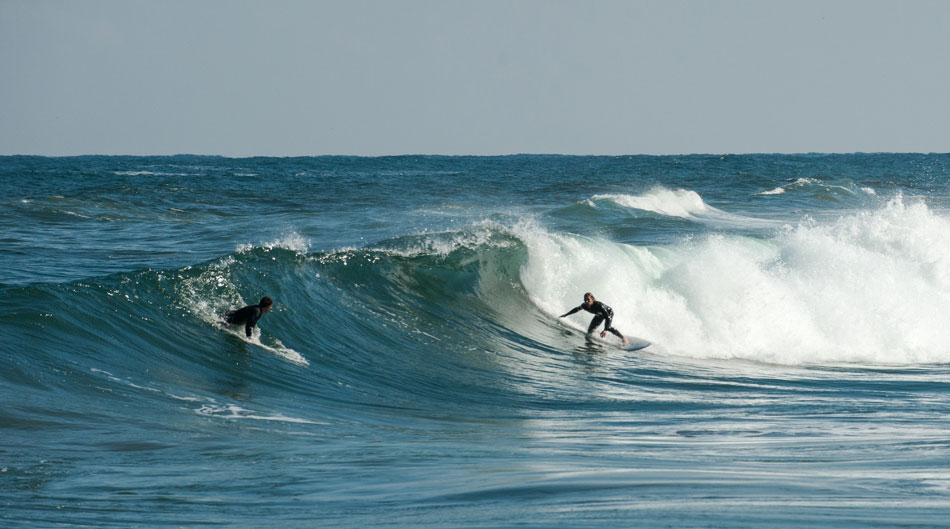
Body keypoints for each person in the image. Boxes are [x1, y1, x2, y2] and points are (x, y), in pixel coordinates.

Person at [559, 292, 628, 346]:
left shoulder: (599, 305)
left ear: (592, 299)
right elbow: (577, 309)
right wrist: (566, 314)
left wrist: (605, 329)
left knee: (608, 327)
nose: (586, 301)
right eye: (585, 300)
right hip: (599, 314)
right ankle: (598, 339)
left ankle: (623, 338)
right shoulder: (584, 305)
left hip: (608, 313)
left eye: (588, 299)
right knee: (590, 332)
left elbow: (607, 317)